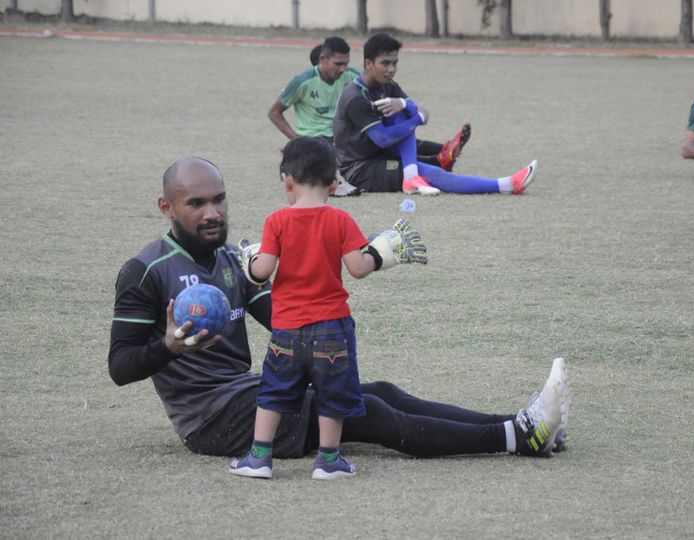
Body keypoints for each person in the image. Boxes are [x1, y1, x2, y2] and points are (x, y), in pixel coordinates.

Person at [108, 156, 571, 468]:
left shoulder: (232, 259)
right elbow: (120, 367)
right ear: (166, 207)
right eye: (197, 204)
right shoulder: (145, 271)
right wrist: (169, 345)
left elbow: (285, 317)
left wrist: (350, 267)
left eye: (219, 199)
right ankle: (517, 437)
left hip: (253, 389)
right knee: (366, 412)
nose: (213, 213)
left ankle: (515, 422)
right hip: (211, 418)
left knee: (377, 390)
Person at [229, 137, 428, 480]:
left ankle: (259, 458)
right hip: (332, 328)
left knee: (273, 391)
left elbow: (261, 272)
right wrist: (383, 252)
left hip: (287, 329)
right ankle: (329, 460)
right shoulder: (341, 220)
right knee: (332, 394)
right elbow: (358, 268)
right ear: (335, 182)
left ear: (286, 179)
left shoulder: (276, 221)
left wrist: (248, 259)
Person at [334, 33, 536, 195]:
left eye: (395, 63)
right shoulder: (355, 97)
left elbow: (416, 109)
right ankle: (506, 185)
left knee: (404, 115)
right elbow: (383, 138)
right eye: (385, 63)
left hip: (380, 156)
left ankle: (411, 174)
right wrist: (417, 118)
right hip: (360, 169)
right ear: (368, 63)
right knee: (431, 173)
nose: (391, 69)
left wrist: (404, 103)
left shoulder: (388, 86)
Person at [267, 36, 472, 196]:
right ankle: (439, 159)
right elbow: (274, 112)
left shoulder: (350, 77)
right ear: (323, 59)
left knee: (394, 136)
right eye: (338, 63)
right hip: (321, 143)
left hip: (345, 137)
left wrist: (401, 104)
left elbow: (367, 85)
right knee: (387, 140)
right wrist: (298, 141)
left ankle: (444, 151)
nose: (343, 68)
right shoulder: (302, 81)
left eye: (346, 63)